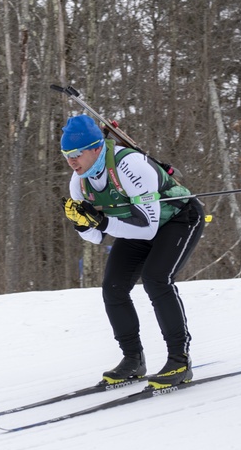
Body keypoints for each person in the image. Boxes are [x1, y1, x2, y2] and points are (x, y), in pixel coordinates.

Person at [59, 114, 205, 389]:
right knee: (113, 287)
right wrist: (82, 224)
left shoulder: (130, 166)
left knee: (156, 279)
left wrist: (102, 222)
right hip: (132, 226)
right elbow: (95, 237)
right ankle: (133, 360)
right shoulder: (78, 183)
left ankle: (179, 360)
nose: (71, 161)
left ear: (96, 147)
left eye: (76, 154)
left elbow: (148, 228)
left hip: (178, 219)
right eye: (66, 154)